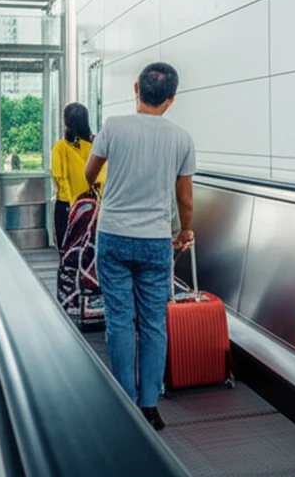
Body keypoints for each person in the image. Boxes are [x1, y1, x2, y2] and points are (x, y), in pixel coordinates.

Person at [83, 62, 196, 431]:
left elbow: (89, 172)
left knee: (119, 320)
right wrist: (185, 233)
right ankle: (150, 405)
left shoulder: (113, 127)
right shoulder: (182, 139)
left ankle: (124, 401)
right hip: (155, 241)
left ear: (136, 88)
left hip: (113, 236)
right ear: (171, 100)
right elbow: (186, 201)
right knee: (152, 324)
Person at [50, 102, 105, 249]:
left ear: (66, 122)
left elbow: (58, 177)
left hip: (66, 206)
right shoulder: (96, 146)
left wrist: (72, 202)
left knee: (67, 250)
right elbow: (103, 176)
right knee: (90, 250)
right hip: (93, 206)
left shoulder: (60, 147)